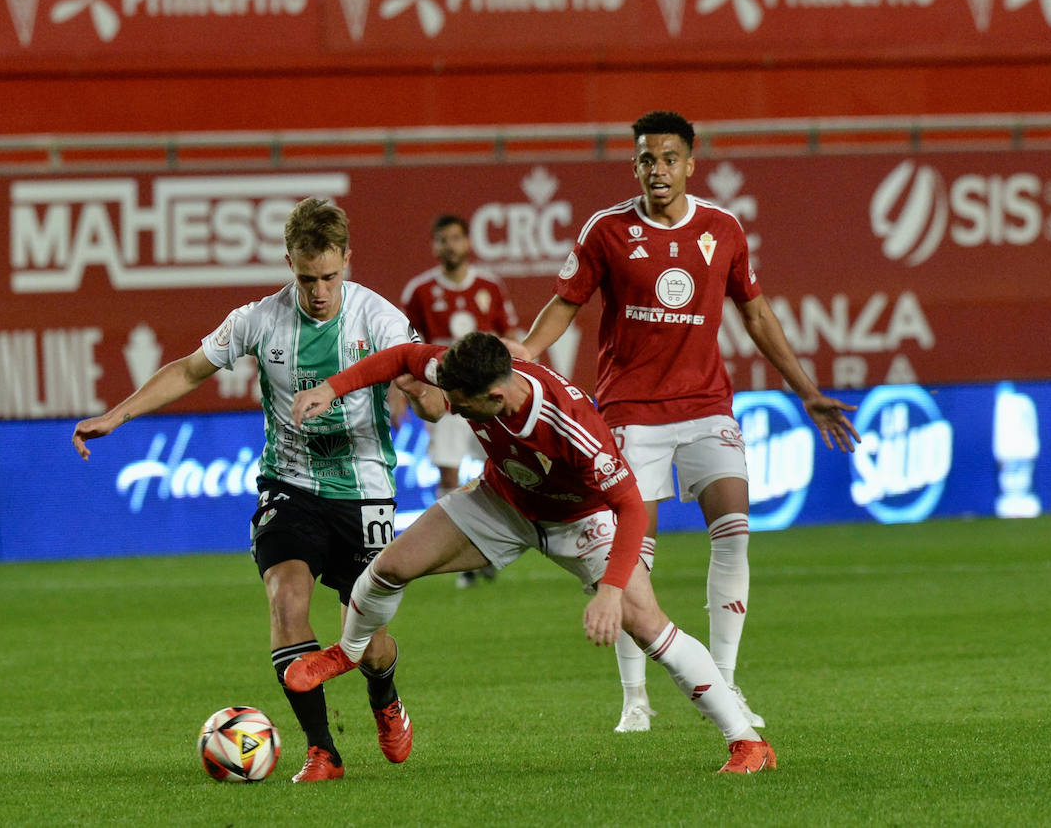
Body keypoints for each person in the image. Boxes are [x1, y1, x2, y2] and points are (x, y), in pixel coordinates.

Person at [71, 199, 446, 783]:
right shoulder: (258, 320)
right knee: (286, 599)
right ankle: (322, 750)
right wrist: (117, 417)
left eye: (329, 276)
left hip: (365, 491)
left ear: (347, 260)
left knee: (368, 643)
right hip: (288, 483)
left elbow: (434, 403)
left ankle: (385, 692)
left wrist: (421, 393)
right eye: (305, 278)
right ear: (288, 264)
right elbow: (190, 369)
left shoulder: (381, 320)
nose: (319, 291)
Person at [283, 332, 778, 773]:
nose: (453, 411)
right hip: (503, 503)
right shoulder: (465, 372)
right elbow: (401, 357)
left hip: (580, 522)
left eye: (462, 405)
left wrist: (608, 593)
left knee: (649, 626)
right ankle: (348, 653)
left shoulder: (569, 422)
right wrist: (331, 389)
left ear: (496, 396)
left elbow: (628, 506)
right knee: (389, 566)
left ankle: (747, 744)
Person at [514, 110, 860, 734]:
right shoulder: (607, 231)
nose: (658, 170)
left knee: (733, 530)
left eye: (669, 158)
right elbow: (564, 305)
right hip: (629, 413)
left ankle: (723, 682)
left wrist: (807, 392)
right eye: (646, 159)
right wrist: (526, 356)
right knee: (630, 554)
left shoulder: (722, 229)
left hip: (706, 408)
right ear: (635, 165)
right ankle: (634, 698)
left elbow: (757, 317)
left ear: (690, 163)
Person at [400, 213, 520, 587]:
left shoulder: (490, 286)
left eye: (455, 238)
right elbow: (404, 349)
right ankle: (461, 557)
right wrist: (398, 397)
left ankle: (489, 547)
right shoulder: (419, 292)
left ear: (467, 242)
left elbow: (512, 339)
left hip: (489, 399)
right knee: (448, 472)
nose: (449, 245)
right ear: (434, 245)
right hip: (447, 398)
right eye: (442, 239)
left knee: (501, 471)